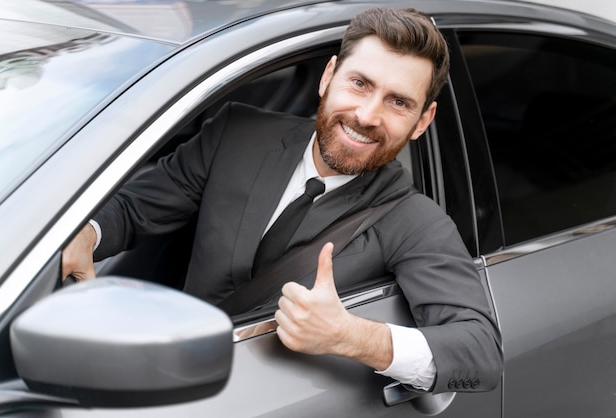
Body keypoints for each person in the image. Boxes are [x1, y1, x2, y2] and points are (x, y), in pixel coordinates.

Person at [63, 7, 503, 394]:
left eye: (398, 102)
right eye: (359, 83)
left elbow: (480, 354)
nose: (368, 116)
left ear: (422, 121)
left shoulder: (416, 221)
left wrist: (350, 336)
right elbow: (132, 208)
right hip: (161, 374)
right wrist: (87, 233)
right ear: (328, 77)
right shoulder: (237, 133)